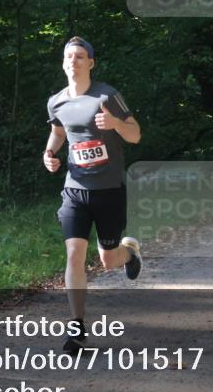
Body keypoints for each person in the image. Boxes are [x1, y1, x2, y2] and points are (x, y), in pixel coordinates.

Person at [43, 36, 143, 354]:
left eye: (80, 56)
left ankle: (129, 254)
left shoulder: (106, 95)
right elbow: (58, 131)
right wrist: (49, 153)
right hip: (75, 189)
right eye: (69, 56)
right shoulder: (56, 101)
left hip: (109, 190)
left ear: (90, 63)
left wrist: (115, 124)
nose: (73, 61)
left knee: (108, 260)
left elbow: (135, 134)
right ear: (63, 63)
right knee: (74, 254)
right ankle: (77, 327)